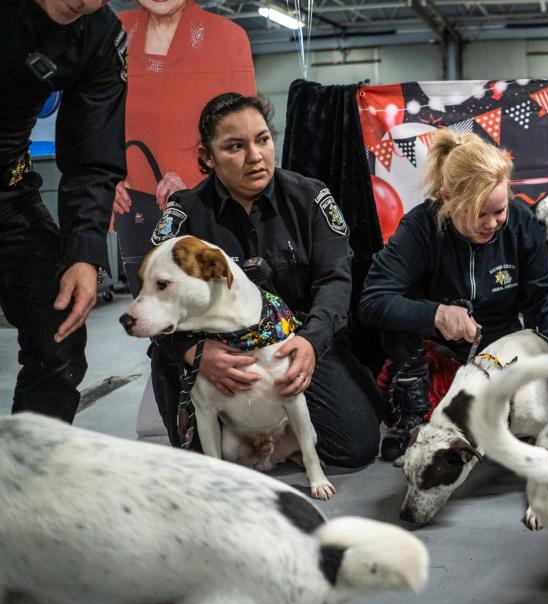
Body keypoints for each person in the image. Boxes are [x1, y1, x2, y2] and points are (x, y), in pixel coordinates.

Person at [149, 93, 381, 468]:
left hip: (294, 345)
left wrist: (311, 343)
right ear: (208, 157)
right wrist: (193, 353)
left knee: (356, 448)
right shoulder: (186, 214)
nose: (255, 156)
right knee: (201, 464)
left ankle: (275, 434)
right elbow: (153, 299)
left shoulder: (310, 198)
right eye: (235, 147)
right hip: (215, 352)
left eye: (263, 139)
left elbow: (335, 282)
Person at [359, 130, 548, 461]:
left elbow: (545, 296)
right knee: (399, 321)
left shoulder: (519, 221)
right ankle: (410, 417)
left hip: (501, 355)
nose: (492, 224)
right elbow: (372, 300)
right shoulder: (420, 227)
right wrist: (436, 314)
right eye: (479, 213)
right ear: (447, 199)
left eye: (499, 210)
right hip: (438, 354)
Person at [1, 0, 126, 422]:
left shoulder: (100, 35)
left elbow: (91, 158)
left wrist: (84, 255)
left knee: (59, 342)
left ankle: (27, 479)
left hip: (9, 192)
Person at [113, 0, 255, 216]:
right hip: (124, 215)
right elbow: (89, 122)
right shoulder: (113, 32)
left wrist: (199, 190)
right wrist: (103, 181)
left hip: (203, 214)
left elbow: (244, 140)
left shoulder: (227, 37)